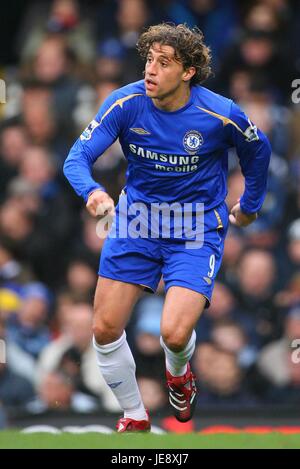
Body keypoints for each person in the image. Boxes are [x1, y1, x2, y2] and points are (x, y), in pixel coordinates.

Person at [64, 23, 271, 432]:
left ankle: (179, 373)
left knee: (174, 335)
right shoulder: (125, 103)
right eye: (148, 60)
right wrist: (92, 192)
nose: (151, 70)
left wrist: (249, 206)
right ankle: (136, 415)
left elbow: (258, 151)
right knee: (104, 329)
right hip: (136, 222)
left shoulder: (220, 113)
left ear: (189, 71)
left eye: (164, 62)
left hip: (195, 229)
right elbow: (76, 157)